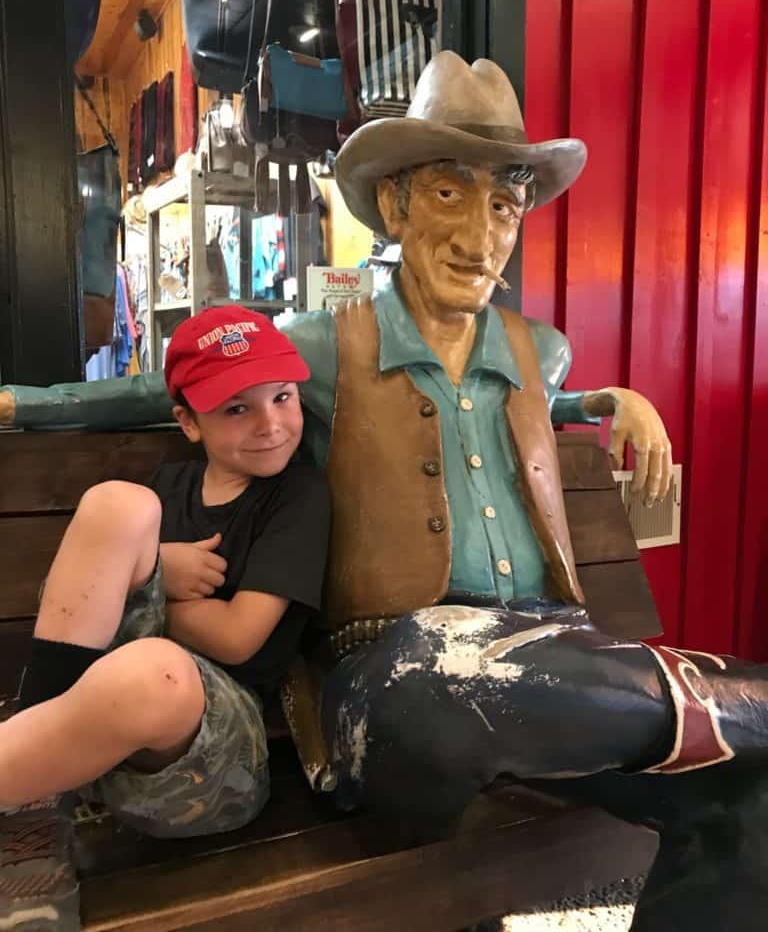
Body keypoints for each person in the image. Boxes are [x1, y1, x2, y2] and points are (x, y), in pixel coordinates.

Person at [1, 53, 766, 928]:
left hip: (551, 664)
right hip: (393, 680)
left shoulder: (536, 351)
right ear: (395, 204)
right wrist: (25, 402)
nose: (481, 238)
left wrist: (605, 400)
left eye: (505, 205)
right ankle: (736, 703)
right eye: (450, 195)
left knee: (752, 802)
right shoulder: (325, 346)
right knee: (438, 687)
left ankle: (728, 719)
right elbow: (173, 388)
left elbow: (528, 402)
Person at [0, 305, 330, 839]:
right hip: (91, 725)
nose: (270, 424)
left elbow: (238, 638)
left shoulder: (299, 496)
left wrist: (153, 579)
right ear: (188, 423)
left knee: (154, 671)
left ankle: (27, 784)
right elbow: (74, 600)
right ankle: (33, 741)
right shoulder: (165, 487)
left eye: (283, 397)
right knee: (116, 504)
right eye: (237, 409)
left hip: (208, 758)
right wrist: (158, 568)